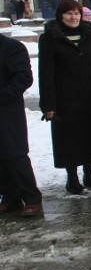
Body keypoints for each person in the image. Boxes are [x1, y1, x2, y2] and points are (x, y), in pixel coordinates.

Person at [38, 0, 91, 194]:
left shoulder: (88, 33)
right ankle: (72, 179)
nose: (73, 17)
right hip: (65, 97)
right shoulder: (49, 37)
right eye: (69, 13)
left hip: (89, 94)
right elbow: (45, 73)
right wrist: (48, 104)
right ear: (60, 15)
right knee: (70, 139)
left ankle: (89, 175)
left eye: (76, 13)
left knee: (90, 135)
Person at [0, 32, 43, 218]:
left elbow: (23, 78)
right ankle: (10, 197)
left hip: (6, 111)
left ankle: (32, 198)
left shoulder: (11, 47)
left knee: (15, 155)